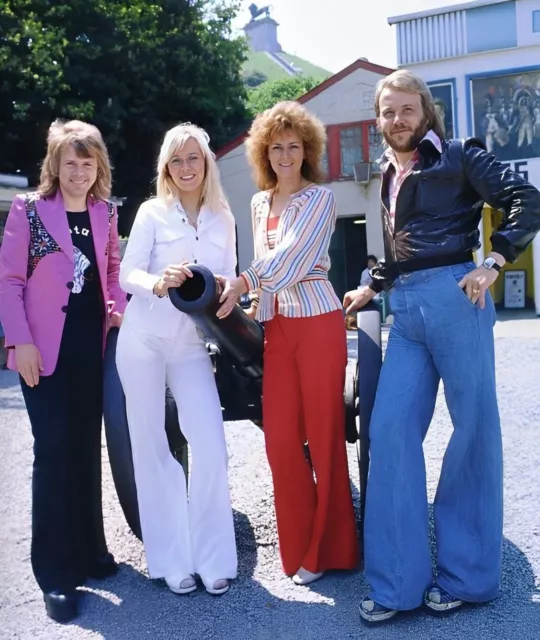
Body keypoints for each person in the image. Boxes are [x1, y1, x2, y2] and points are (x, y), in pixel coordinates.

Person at [342, 69, 540, 624]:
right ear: (378, 120)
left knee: (473, 429)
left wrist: (494, 261)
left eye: (407, 109)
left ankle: (467, 578)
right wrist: (372, 285)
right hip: (404, 310)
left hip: (457, 299)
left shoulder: (458, 155)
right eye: (388, 112)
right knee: (389, 431)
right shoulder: (387, 171)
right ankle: (397, 585)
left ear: (425, 112)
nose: (397, 120)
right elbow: (403, 248)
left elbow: (526, 198)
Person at [218, 101, 359, 586]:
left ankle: (330, 550)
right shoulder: (259, 203)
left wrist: (246, 281)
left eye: (293, 146)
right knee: (280, 442)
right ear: (263, 152)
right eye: (275, 147)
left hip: (319, 323)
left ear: (307, 150)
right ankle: (298, 546)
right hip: (278, 329)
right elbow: (270, 269)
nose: (284, 155)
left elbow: (296, 256)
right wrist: (257, 301)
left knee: (324, 440)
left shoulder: (320, 199)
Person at [0, 119, 126, 623]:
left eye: (87, 161)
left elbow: (111, 272)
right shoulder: (28, 210)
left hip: (90, 346)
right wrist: (20, 342)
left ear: (99, 166)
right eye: (70, 162)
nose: (78, 171)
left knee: (83, 449)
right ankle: (54, 573)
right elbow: (8, 282)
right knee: (53, 454)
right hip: (42, 352)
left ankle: (90, 551)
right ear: (54, 164)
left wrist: (116, 307)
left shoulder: (105, 213)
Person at [116, 123, 238, 596]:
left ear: (206, 162)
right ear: (166, 167)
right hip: (143, 337)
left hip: (190, 344)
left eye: (194, 158)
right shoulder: (151, 212)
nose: (186, 167)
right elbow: (127, 272)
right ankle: (170, 561)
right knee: (151, 448)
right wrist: (157, 280)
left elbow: (226, 278)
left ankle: (213, 560)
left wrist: (228, 292)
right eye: (176, 160)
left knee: (209, 442)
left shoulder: (222, 217)